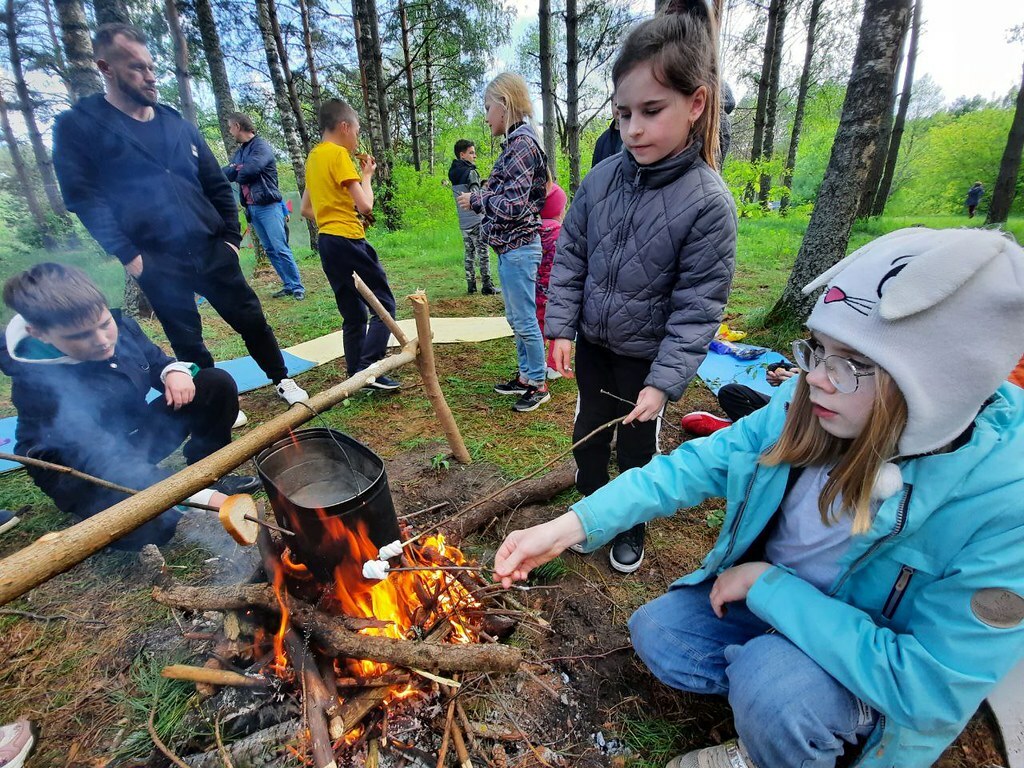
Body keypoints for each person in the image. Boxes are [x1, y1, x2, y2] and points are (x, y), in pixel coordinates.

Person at [496, 227, 1024, 768]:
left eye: (849, 363)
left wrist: (770, 588)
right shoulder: (805, 408)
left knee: (777, 691)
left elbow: (929, 689)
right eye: (816, 350)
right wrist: (569, 526)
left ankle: (788, 728)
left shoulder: (1006, 502)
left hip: (874, 669)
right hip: (770, 604)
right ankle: (777, 693)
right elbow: (693, 466)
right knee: (661, 635)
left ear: (936, 385)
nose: (814, 378)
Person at [544, 0, 737, 573]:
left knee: (635, 448)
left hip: (645, 361)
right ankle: (588, 505)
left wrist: (663, 383)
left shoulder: (707, 204)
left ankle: (628, 521)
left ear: (696, 103)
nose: (633, 129)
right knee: (587, 431)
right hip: (596, 349)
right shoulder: (602, 178)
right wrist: (559, 325)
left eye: (652, 111)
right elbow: (572, 253)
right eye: (624, 113)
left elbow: (697, 307)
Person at [52, 24, 308, 409]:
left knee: (251, 318)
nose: (150, 75)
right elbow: (83, 198)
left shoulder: (175, 124)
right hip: (156, 258)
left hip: (211, 247)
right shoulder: (80, 126)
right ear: (106, 67)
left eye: (151, 66)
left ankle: (281, 378)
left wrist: (230, 240)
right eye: (136, 67)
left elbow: (217, 185)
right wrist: (130, 256)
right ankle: (219, 402)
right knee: (187, 336)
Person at [0, 264, 261, 551]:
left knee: (213, 383)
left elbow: (154, 360)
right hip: (80, 470)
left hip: (129, 438)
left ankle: (208, 473)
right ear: (40, 334)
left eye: (103, 324)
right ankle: (99, 511)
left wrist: (173, 371)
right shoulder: (40, 387)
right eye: (80, 336)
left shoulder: (119, 326)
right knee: (156, 529)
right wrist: (201, 499)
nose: (102, 341)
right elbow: (103, 460)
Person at [457, 73, 550, 413]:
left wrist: (478, 200)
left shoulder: (522, 145)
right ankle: (526, 377)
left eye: (487, 108)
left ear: (504, 105)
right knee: (516, 317)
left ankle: (539, 383)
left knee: (524, 319)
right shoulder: (515, 144)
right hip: (510, 247)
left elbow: (512, 206)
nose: (485, 117)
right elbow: (507, 194)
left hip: (520, 246)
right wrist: (484, 194)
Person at [301, 99, 400, 391]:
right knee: (383, 304)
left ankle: (354, 375)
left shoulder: (313, 158)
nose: (356, 137)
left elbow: (307, 209)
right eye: (356, 130)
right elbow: (367, 205)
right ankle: (369, 370)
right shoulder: (339, 155)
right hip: (349, 239)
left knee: (352, 312)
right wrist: (367, 175)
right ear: (344, 127)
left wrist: (332, 213)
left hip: (328, 242)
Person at [223, 112, 305, 301]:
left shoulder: (260, 146)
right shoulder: (241, 151)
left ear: (237, 126)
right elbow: (228, 172)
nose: (229, 131)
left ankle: (297, 286)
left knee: (280, 247)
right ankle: (288, 285)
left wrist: (238, 170)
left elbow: (251, 170)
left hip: (269, 206)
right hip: (252, 209)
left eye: (230, 127)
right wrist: (237, 169)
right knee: (269, 249)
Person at [680, 361, 799, 436]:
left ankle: (741, 431)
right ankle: (747, 428)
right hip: (785, 404)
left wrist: (800, 385)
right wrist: (785, 371)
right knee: (730, 392)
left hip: (801, 419)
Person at [448, 140, 497, 295]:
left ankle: (471, 285)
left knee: (469, 253)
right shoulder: (471, 172)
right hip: (476, 219)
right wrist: (485, 185)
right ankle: (487, 286)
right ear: (462, 154)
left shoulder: (453, 172)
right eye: (471, 152)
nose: (474, 156)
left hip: (463, 221)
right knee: (483, 252)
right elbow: (476, 196)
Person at [536, 167, 567, 379]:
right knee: (556, 325)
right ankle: (554, 365)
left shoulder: (532, 230)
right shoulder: (559, 232)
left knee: (537, 324)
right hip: (555, 290)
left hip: (535, 288)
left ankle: (535, 362)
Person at [590, 100, 622, 168]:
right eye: (617, 104)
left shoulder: (639, 137)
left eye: (625, 103)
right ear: (611, 105)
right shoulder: (602, 140)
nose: (621, 109)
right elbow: (595, 173)